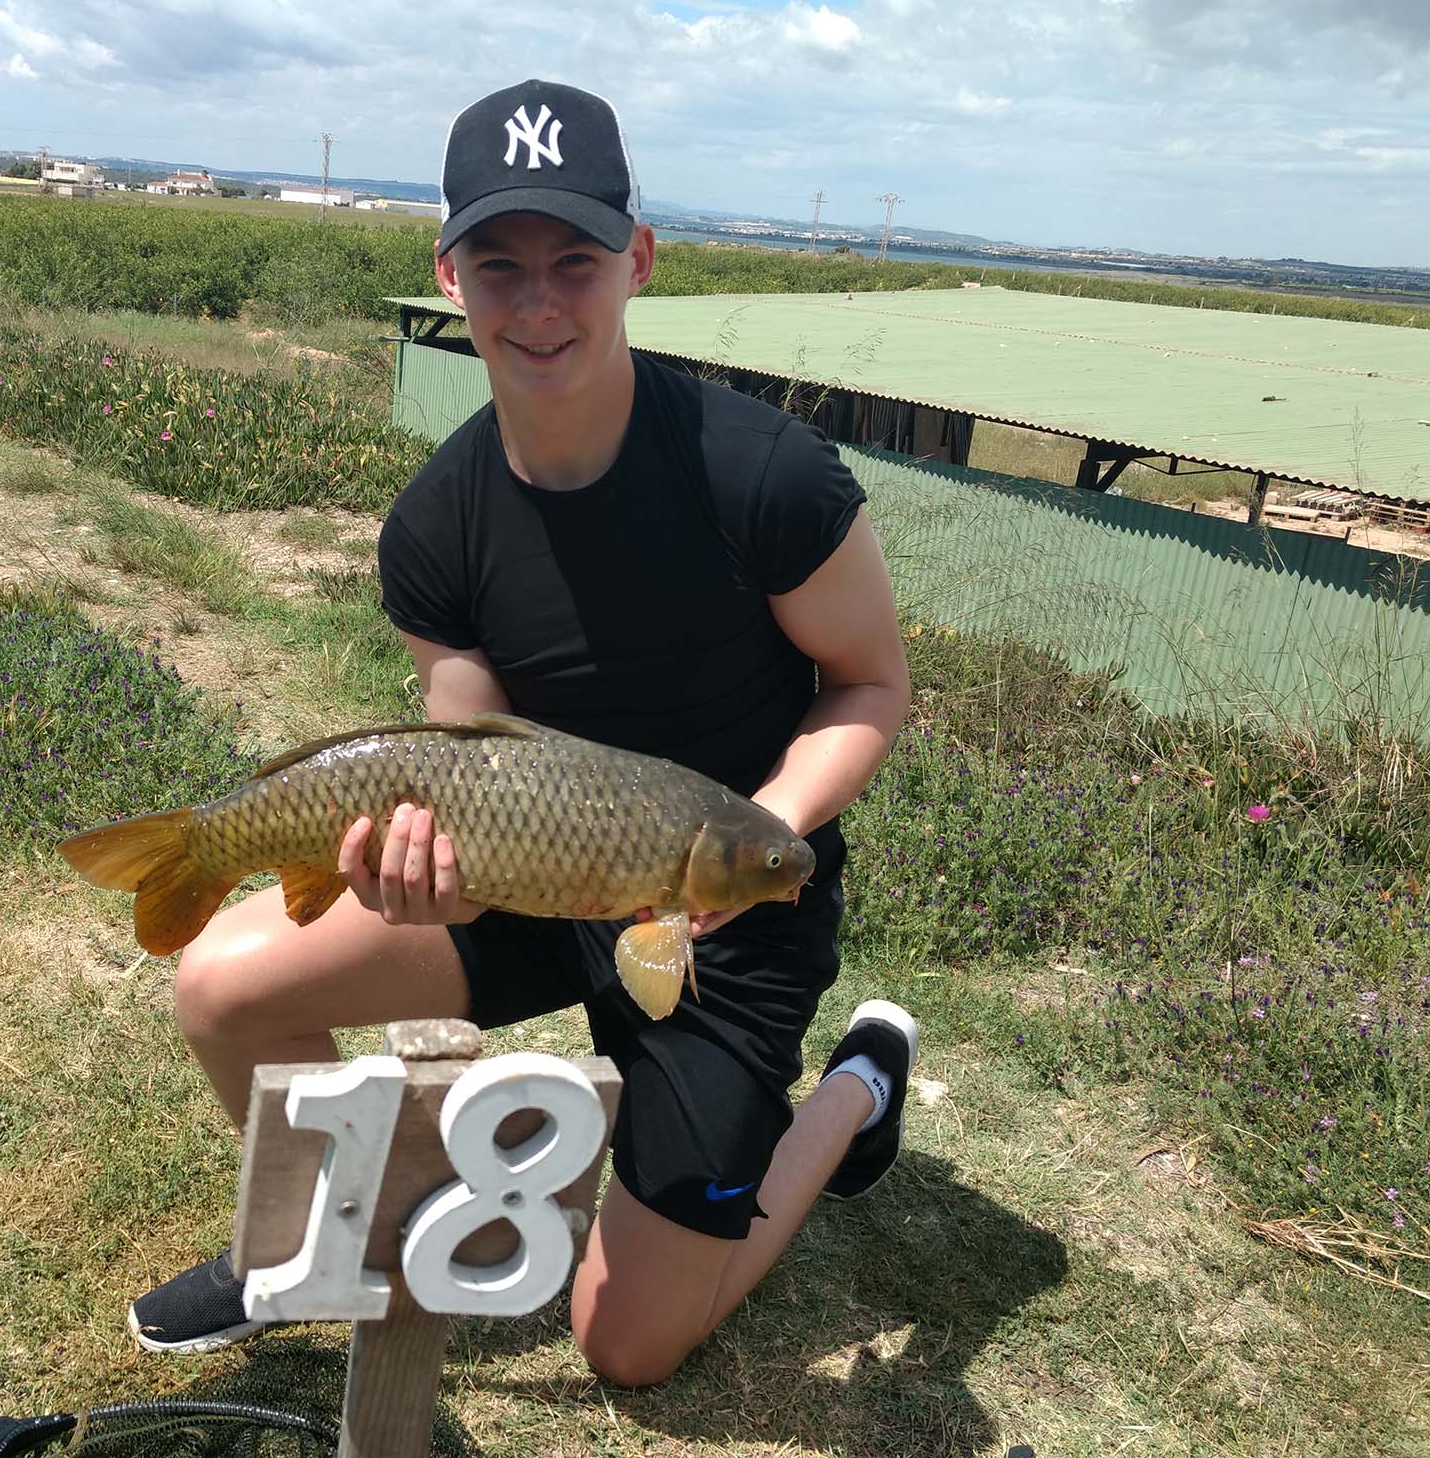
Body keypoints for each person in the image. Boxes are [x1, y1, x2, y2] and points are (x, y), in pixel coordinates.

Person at [125, 79, 917, 1388]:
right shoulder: (435, 525)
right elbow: (466, 750)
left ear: (638, 263)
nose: (539, 304)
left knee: (629, 1351)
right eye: (500, 267)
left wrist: (772, 833)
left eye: (575, 263)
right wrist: (417, 864)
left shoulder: (764, 474)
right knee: (218, 982)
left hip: (729, 905)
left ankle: (853, 1094)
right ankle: (332, 1250)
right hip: (528, 879)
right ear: (450, 275)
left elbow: (870, 687)